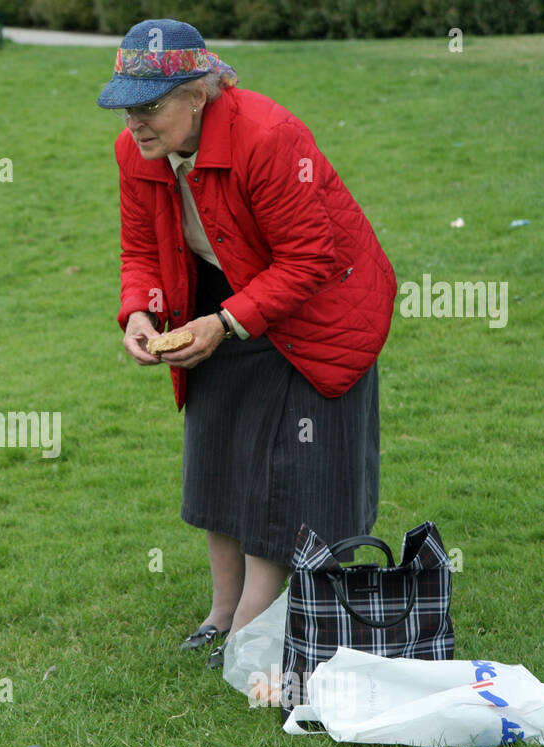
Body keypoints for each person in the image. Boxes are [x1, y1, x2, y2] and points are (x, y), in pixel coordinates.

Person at [99, 20, 396, 665]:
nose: (135, 124)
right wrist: (138, 314)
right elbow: (140, 251)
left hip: (319, 308)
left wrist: (225, 323)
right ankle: (222, 610)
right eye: (126, 107)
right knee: (220, 456)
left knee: (283, 471)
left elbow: (310, 258)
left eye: (149, 107)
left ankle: (251, 625)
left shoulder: (269, 136)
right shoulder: (136, 153)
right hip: (223, 295)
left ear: (198, 95)